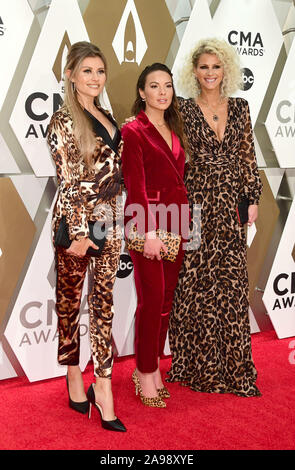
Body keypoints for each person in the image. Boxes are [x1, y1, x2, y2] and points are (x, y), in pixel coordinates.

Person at [167, 38, 263, 397]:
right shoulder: (183, 109)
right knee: (196, 282)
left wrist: (251, 197)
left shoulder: (241, 107)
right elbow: (168, 151)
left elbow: (247, 154)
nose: (210, 73)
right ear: (194, 72)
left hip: (232, 203)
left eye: (216, 66)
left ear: (226, 70)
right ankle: (198, 364)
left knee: (232, 284)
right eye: (204, 67)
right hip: (195, 202)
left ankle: (234, 366)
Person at [47, 41, 126, 431]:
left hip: (109, 225)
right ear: (71, 75)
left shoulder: (108, 115)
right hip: (76, 226)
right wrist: (79, 232)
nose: (95, 78)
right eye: (87, 71)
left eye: (100, 71)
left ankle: (105, 385)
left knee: (103, 306)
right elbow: (69, 182)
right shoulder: (63, 120)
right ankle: (74, 375)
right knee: (69, 303)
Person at [121, 63, 189, 407]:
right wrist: (147, 233)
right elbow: (136, 184)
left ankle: (154, 367)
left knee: (164, 304)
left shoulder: (175, 127)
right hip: (148, 225)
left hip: (178, 223)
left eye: (168, 86)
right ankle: (145, 372)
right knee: (151, 302)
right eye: (154, 86)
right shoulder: (133, 131)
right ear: (141, 92)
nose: (162, 92)